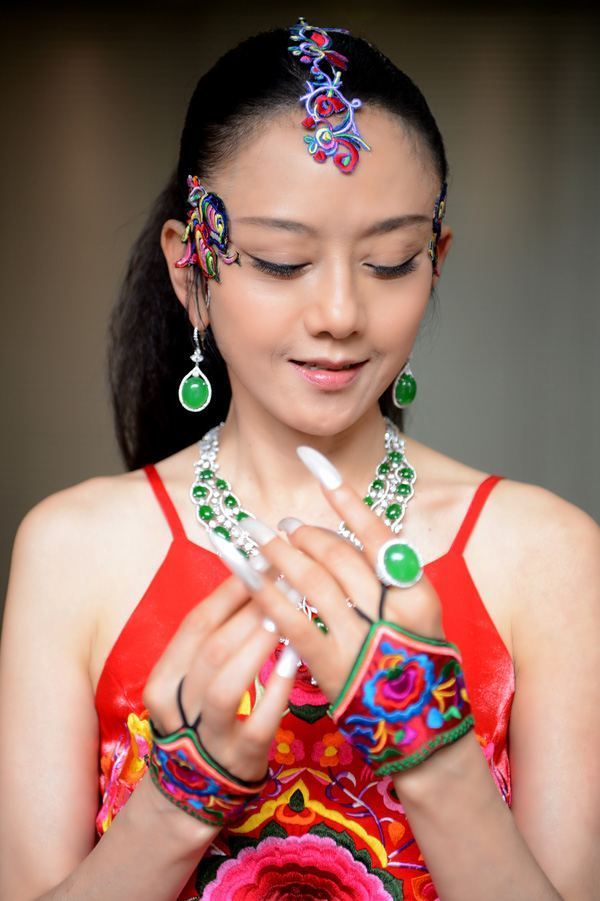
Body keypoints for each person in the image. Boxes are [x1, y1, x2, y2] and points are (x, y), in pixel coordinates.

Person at [0, 17, 598, 901]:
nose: (341, 313)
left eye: (390, 262)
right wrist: (175, 805)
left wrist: (435, 760)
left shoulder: (549, 553)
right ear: (191, 269)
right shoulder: (72, 548)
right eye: (283, 262)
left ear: (436, 262)